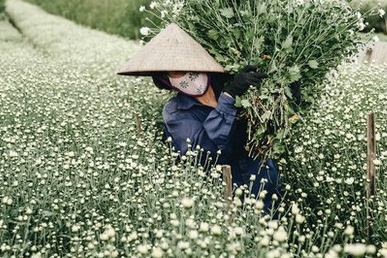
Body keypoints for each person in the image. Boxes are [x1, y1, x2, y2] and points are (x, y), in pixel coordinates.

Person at [117, 23, 300, 215]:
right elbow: (205, 153)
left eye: (189, 65)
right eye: (177, 71)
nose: (187, 72)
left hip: (265, 183)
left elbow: (272, 128)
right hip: (227, 196)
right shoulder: (176, 112)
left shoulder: (233, 82)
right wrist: (228, 98)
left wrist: (287, 96)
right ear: (165, 79)